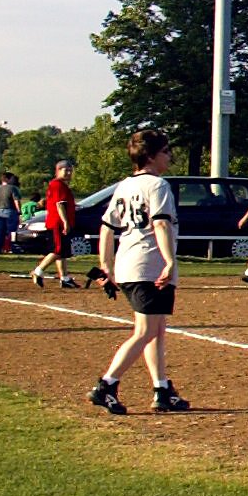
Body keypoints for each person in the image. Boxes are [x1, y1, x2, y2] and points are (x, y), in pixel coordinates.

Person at [88, 128, 189, 415]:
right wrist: (169, 261)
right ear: (151, 156)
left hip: (130, 264)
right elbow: (160, 224)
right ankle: (106, 384)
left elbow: (107, 227)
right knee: (145, 331)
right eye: (166, 152)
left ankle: (161, 389)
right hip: (149, 266)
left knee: (156, 330)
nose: (169, 157)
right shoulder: (157, 186)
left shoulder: (124, 186)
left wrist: (106, 264)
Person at [31, 158, 80, 289]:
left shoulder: (62, 185)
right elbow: (59, 205)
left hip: (59, 222)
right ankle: (38, 271)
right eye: (66, 170)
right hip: (58, 223)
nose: (69, 173)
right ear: (58, 171)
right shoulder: (57, 184)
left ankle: (64, 278)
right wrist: (65, 222)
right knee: (57, 250)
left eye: (70, 170)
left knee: (62, 251)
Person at [0, 171, 19, 257]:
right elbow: (16, 200)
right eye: (12, 178)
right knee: (11, 232)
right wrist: (19, 211)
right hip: (10, 212)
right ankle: (11, 248)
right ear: (8, 179)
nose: (13, 180)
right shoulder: (13, 188)